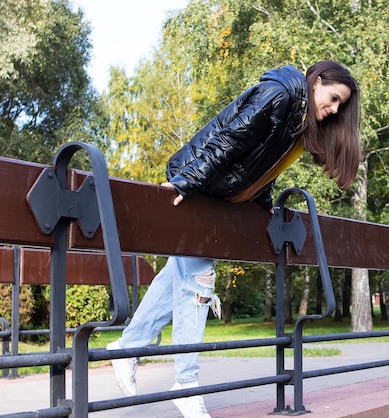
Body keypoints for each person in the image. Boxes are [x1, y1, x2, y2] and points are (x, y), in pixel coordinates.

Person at [107, 60, 360, 418]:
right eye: (333, 98)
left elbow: (262, 164)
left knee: (175, 282)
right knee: (198, 280)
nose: (333, 110)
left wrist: (263, 205)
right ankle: (186, 382)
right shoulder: (283, 92)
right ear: (316, 81)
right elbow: (232, 137)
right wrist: (188, 180)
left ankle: (127, 348)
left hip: (216, 195)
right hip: (200, 189)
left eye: (339, 106)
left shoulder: (298, 120)